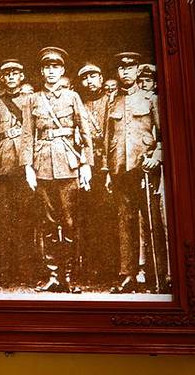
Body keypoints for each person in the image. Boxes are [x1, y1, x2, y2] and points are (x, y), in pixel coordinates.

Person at [20, 47, 93, 293]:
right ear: (42, 71)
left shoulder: (72, 97)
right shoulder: (33, 99)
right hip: (42, 166)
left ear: (62, 71)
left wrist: (86, 164)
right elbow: (27, 135)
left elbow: (84, 132)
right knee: (48, 222)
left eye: (56, 67)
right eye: (47, 67)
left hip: (68, 165)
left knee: (69, 222)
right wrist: (28, 167)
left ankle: (69, 276)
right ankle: (53, 276)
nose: (51, 71)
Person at [103, 52, 166, 294]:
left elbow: (163, 134)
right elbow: (108, 139)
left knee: (152, 222)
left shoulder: (150, 100)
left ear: (137, 70)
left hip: (145, 168)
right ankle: (127, 275)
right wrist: (108, 171)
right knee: (124, 221)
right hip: (121, 169)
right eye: (121, 68)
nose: (125, 72)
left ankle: (157, 274)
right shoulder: (113, 101)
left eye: (130, 67)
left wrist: (156, 156)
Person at [0, 59, 36, 288]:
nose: (11, 77)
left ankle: (26, 272)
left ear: (22, 76)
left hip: (24, 166)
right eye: (7, 74)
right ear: (2, 79)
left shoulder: (31, 99)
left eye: (15, 73)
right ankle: (3, 273)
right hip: (1, 167)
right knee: (2, 221)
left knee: (25, 220)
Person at [76, 63, 117, 285]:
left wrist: (108, 167)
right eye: (85, 78)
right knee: (86, 216)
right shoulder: (78, 103)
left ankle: (110, 269)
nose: (89, 81)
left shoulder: (112, 101)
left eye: (93, 76)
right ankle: (90, 269)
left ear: (101, 78)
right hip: (86, 164)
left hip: (106, 164)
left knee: (108, 216)